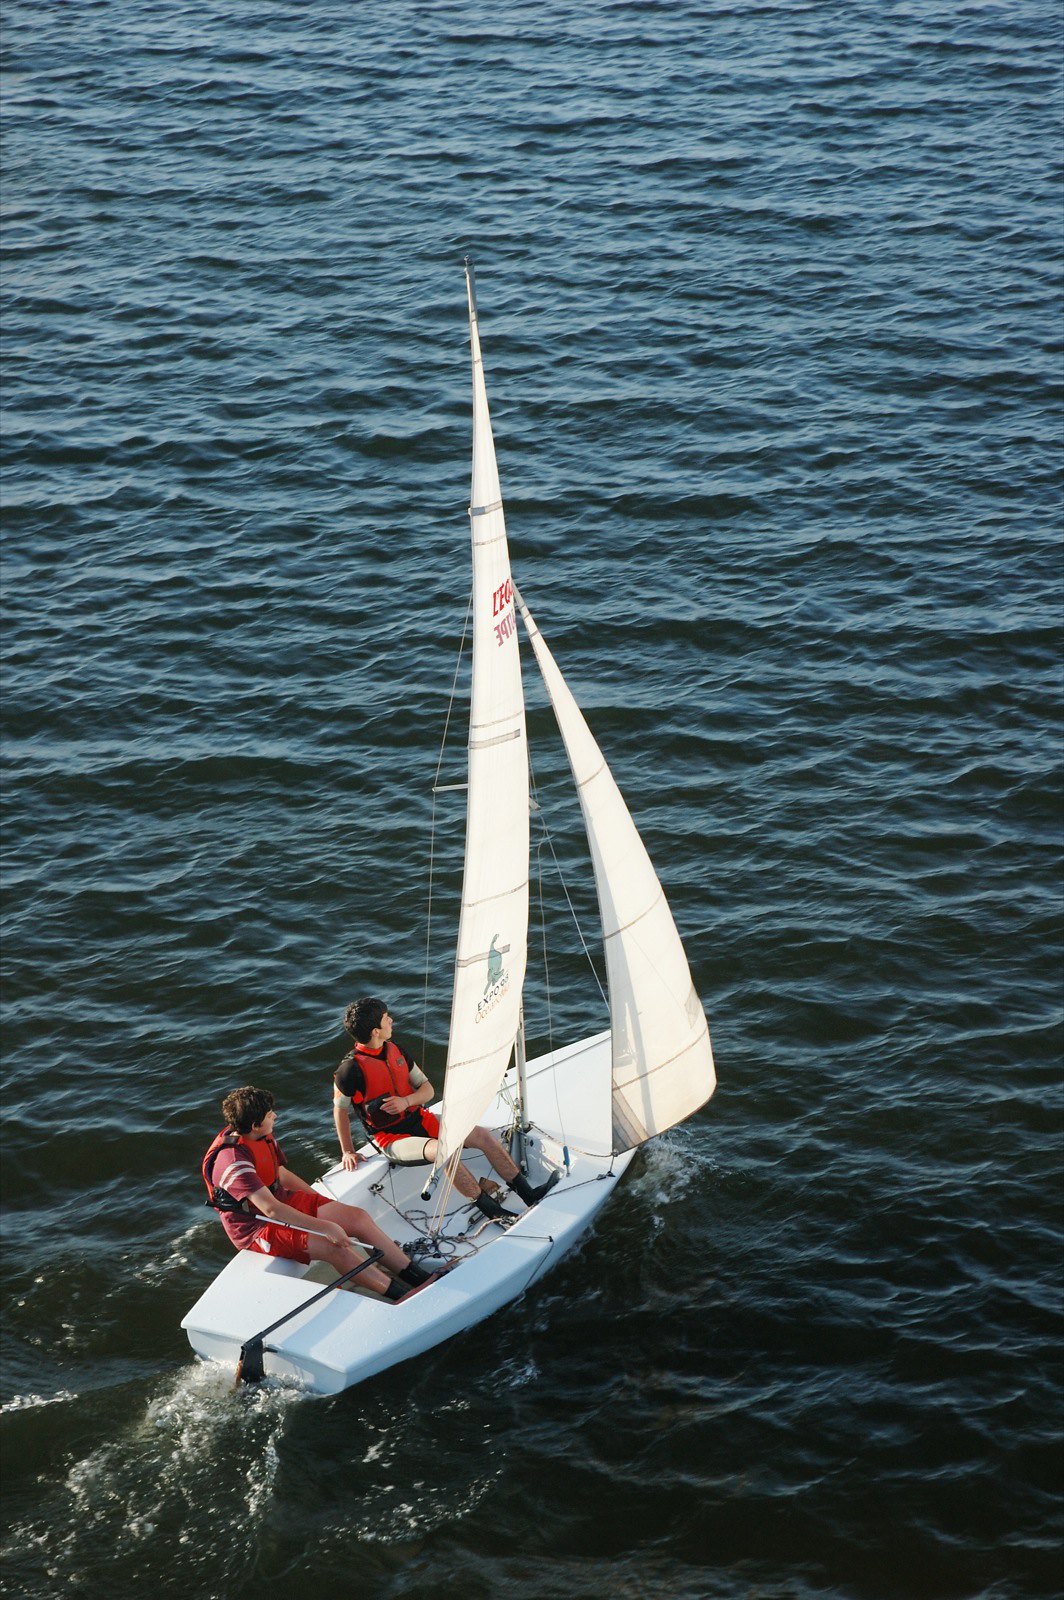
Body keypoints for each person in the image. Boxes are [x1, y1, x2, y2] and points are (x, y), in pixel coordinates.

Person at [332, 997, 559, 1221]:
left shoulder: (396, 1050)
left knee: (481, 1135)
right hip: (391, 1138)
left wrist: (406, 1101)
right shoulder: (349, 1070)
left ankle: (529, 1195)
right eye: (385, 1018)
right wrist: (348, 1150)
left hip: (420, 1119)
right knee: (444, 1152)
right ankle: (495, 1213)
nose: (391, 1020)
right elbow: (340, 1110)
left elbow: (427, 1090)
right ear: (375, 1031)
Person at [203, 1085, 439, 1301]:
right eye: (269, 1114)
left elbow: (281, 1175)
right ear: (255, 1125)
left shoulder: (259, 1135)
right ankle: (403, 1295)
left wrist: (321, 1203)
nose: (274, 1116)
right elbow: (271, 1209)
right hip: (256, 1226)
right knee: (333, 1246)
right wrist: (325, 1226)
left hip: (280, 1200)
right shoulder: (233, 1161)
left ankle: (417, 1277)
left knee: (357, 1218)